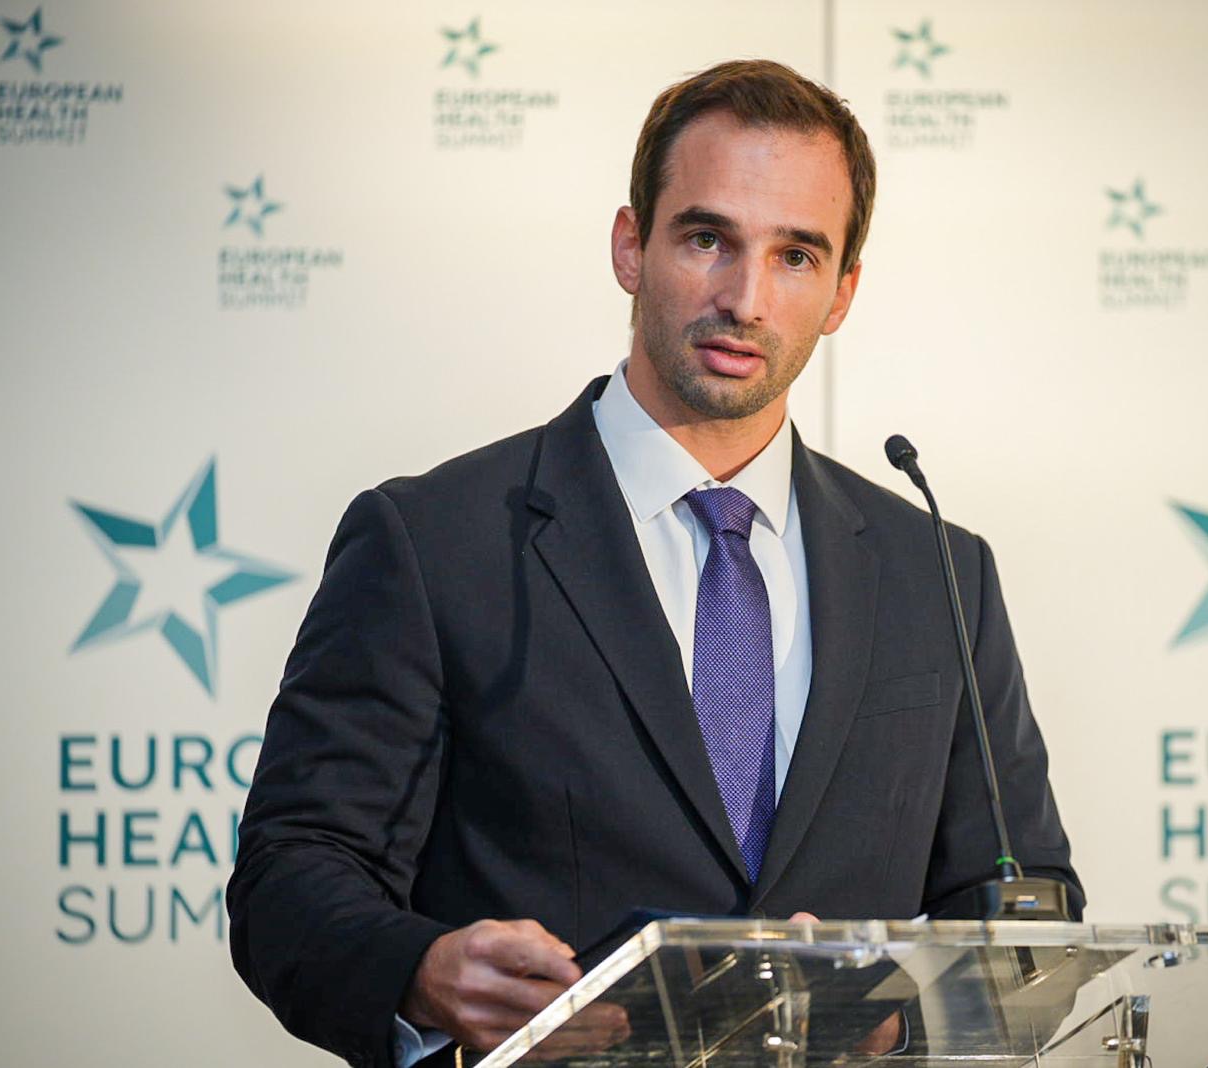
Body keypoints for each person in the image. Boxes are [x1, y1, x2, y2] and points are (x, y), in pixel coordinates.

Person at [227, 59, 1082, 1068]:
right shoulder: (433, 541)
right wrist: (423, 971)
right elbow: (291, 875)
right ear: (631, 246)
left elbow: (1026, 914)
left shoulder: (937, 572)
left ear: (842, 291)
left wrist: (895, 1021)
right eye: (707, 238)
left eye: (796, 255)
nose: (745, 299)